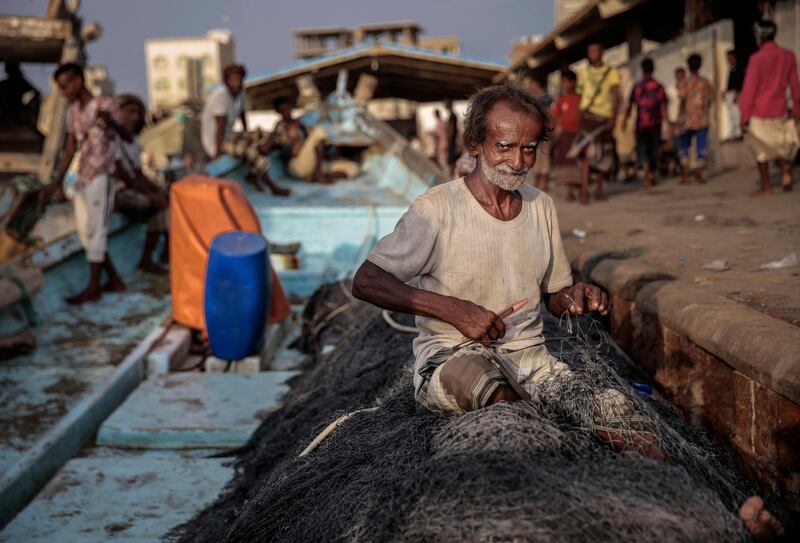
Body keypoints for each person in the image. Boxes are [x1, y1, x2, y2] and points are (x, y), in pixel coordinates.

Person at [352, 82, 787, 542]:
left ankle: (714, 518)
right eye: (504, 147)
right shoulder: (436, 209)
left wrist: (579, 295)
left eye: (529, 148)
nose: (517, 162)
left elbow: (556, 295)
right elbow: (367, 280)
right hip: (451, 357)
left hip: (534, 361)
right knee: (499, 400)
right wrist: (453, 309)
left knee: (627, 424)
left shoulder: (542, 209)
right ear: (473, 145)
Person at [39, 63, 128, 305]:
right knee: (87, 232)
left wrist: (112, 122)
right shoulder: (74, 111)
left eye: (64, 86)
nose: (62, 91)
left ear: (78, 81)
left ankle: (94, 286)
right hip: (83, 176)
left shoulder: (105, 104)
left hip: (103, 174)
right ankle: (114, 280)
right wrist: (57, 182)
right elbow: (70, 148)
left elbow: (128, 135)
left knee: (97, 230)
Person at [740, 19, 800, 195]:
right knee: (779, 145)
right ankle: (786, 170)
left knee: (761, 150)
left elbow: (750, 89)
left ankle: (766, 186)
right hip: (780, 109)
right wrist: (797, 108)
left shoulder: (756, 59)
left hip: (759, 111)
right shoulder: (788, 56)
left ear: (759, 36)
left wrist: (744, 115)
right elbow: (795, 85)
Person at [113, 93, 168, 274]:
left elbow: (138, 174)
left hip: (131, 186)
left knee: (167, 196)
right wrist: (150, 194)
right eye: (130, 112)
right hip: (115, 191)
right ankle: (146, 260)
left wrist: (156, 190)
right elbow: (122, 175)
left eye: (138, 113)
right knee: (152, 204)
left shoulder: (134, 143)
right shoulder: (112, 139)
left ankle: (167, 248)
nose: (135, 117)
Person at [262, 96, 359, 184]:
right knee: (319, 130)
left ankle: (315, 176)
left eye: (288, 108)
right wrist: (293, 147)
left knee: (354, 168)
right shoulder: (280, 127)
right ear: (278, 112)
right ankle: (318, 174)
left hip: (312, 164)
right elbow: (283, 149)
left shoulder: (301, 124)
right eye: (283, 110)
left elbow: (317, 143)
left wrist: (331, 152)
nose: (286, 112)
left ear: (291, 107)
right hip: (297, 166)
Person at [577, 42, 621, 203]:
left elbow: (617, 95)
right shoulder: (583, 72)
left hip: (604, 117)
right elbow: (579, 91)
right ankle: (584, 191)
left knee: (603, 155)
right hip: (587, 117)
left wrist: (614, 118)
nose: (592, 53)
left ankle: (599, 190)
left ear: (602, 52)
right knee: (587, 156)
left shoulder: (611, 72)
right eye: (589, 51)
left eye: (595, 50)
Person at [624, 57, 668, 188]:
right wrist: (668, 123)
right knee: (653, 149)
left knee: (643, 149)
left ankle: (647, 174)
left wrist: (625, 120)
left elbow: (630, 105)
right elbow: (663, 106)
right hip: (655, 123)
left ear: (641, 69)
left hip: (641, 124)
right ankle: (650, 175)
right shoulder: (658, 86)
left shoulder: (637, 86)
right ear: (653, 68)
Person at [677, 53, 713, 185]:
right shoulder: (705, 82)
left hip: (687, 119)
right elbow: (709, 101)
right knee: (701, 147)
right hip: (702, 119)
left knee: (683, 146)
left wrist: (679, 117)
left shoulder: (684, 83)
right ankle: (699, 174)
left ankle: (685, 175)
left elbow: (682, 101)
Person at [549, 69, 582, 200]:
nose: (563, 85)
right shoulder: (561, 100)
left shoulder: (581, 98)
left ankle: (579, 187)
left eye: (565, 82)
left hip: (578, 135)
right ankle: (570, 190)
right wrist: (555, 129)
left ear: (573, 82)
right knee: (566, 162)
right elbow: (554, 116)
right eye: (562, 82)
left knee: (577, 162)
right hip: (564, 135)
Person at [527, 78, 553, 191]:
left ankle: (544, 183)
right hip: (534, 132)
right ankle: (537, 183)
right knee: (536, 158)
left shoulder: (546, 99)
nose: (530, 86)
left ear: (537, 83)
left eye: (531, 83)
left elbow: (550, 118)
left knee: (545, 158)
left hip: (544, 132)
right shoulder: (533, 99)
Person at [0, 61, 41, 128]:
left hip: (17, 113)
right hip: (7, 114)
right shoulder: (4, 84)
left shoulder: (20, 82)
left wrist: (26, 107)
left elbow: (36, 93)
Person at [723, 49, 744, 140]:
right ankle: (733, 133)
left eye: (730, 58)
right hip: (730, 93)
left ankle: (738, 133)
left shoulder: (739, 69)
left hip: (735, 94)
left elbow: (739, 83)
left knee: (736, 114)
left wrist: (736, 93)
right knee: (731, 114)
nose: (729, 60)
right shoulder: (731, 69)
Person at [443, 99, 460, 176]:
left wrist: (449, 140)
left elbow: (452, 129)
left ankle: (452, 175)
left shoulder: (452, 116)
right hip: (452, 141)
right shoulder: (452, 115)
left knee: (452, 161)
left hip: (452, 142)